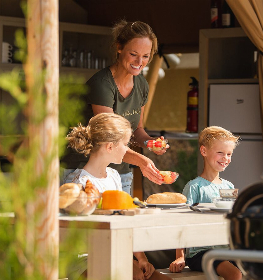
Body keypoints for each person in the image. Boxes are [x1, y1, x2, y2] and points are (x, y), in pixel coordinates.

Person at [62, 19, 168, 194]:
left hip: (119, 172)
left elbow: (137, 129)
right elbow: (108, 139)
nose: (139, 61)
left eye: (145, 56)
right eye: (133, 54)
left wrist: (150, 143)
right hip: (84, 171)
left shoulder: (141, 84)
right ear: (119, 47)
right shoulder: (102, 85)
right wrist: (142, 161)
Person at [65, 113, 172, 280]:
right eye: (125, 144)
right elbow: (79, 237)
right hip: (85, 259)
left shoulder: (114, 176)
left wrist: (141, 259)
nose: (127, 149)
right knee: (134, 274)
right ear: (110, 147)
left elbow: (124, 224)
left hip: (113, 251)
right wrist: (126, 262)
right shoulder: (81, 183)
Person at [169, 126, 242, 280]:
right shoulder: (194, 187)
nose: (226, 158)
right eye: (220, 153)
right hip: (200, 253)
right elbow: (181, 222)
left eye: (229, 154)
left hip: (225, 250)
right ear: (204, 151)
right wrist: (180, 256)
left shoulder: (229, 186)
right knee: (235, 274)